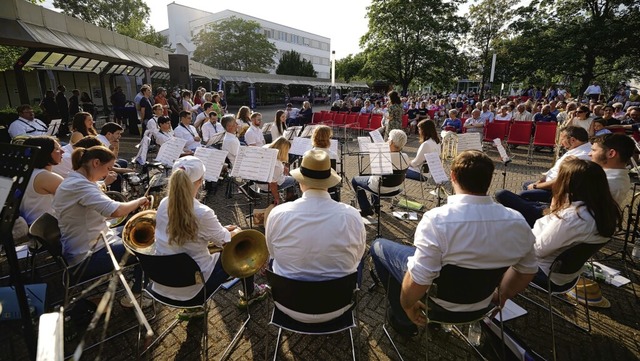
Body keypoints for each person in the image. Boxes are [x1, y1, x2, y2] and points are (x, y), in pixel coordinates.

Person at [370, 150, 537, 336]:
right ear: (489, 179)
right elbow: (527, 269)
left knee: (378, 246)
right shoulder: (517, 221)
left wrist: (407, 304)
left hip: (436, 306)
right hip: (482, 305)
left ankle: (402, 320)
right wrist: (503, 295)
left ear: (453, 176)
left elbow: (420, 278)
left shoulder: (436, 220)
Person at [153, 156, 266, 314]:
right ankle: (250, 294)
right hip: (194, 289)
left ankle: (193, 311)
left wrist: (221, 230)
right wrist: (236, 231)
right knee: (245, 250)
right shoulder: (202, 213)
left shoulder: (164, 203)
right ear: (200, 181)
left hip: (161, 281)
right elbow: (225, 241)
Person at [266, 149, 366, 322]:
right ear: (329, 183)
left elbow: (273, 254)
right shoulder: (352, 216)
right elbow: (358, 256)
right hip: (338, 305)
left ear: (300, 182)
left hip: (287, 303)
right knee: (361, 256)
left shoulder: (277, 214)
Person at [53, 145, 150, 308]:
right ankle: (137, 294)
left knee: (132, 229)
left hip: (90, 243)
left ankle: (134, 279)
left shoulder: (76, 180)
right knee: (148, 245)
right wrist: (139, 201)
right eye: (107, 168)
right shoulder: (80, 185)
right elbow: (116, 211)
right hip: (87, 256)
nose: (107, 173)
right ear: (96, 163)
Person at [531, 158, 619, 290]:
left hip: (544, 273)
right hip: (568, 275)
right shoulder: (606, 210)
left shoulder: (573, 217)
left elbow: (537, 250)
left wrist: (551, 213)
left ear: (568, 184)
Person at [518, 126, 591, 203]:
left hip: (558, 191)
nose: (561, 143)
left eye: (562, 139)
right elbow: (553, 171)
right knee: (526, 184)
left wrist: (535, 186)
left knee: (522, 194)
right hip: (551, 184)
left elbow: (561, 182)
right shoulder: (575, 149)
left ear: (573, 140)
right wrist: (539, 182)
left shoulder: (582, 156)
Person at [351, 129, 410, 217]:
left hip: (379, 188)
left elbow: (374, 177)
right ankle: (376, 206)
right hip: (396, 188)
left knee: (355, 180)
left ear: (390, 142)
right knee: (379, 179)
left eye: (388, 139)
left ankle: (366, 209)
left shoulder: (381, 155)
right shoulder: (405, 156)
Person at [20, 136, 64, 225]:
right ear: (45, 153)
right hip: (47, 231)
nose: (62, 151)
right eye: (56, 149)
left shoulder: (27, 172)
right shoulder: (45, 176)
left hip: (34, 226)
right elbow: (78, 195)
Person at [256, 137, 296, 204]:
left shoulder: (264, 148)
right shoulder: (277, 166)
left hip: (258, 181)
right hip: (266, 186)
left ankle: (288, 196)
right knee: (294, 180)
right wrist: (276, 198)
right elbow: (273, 184)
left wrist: (283, 167)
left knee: (285, 175)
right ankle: (289, 198)